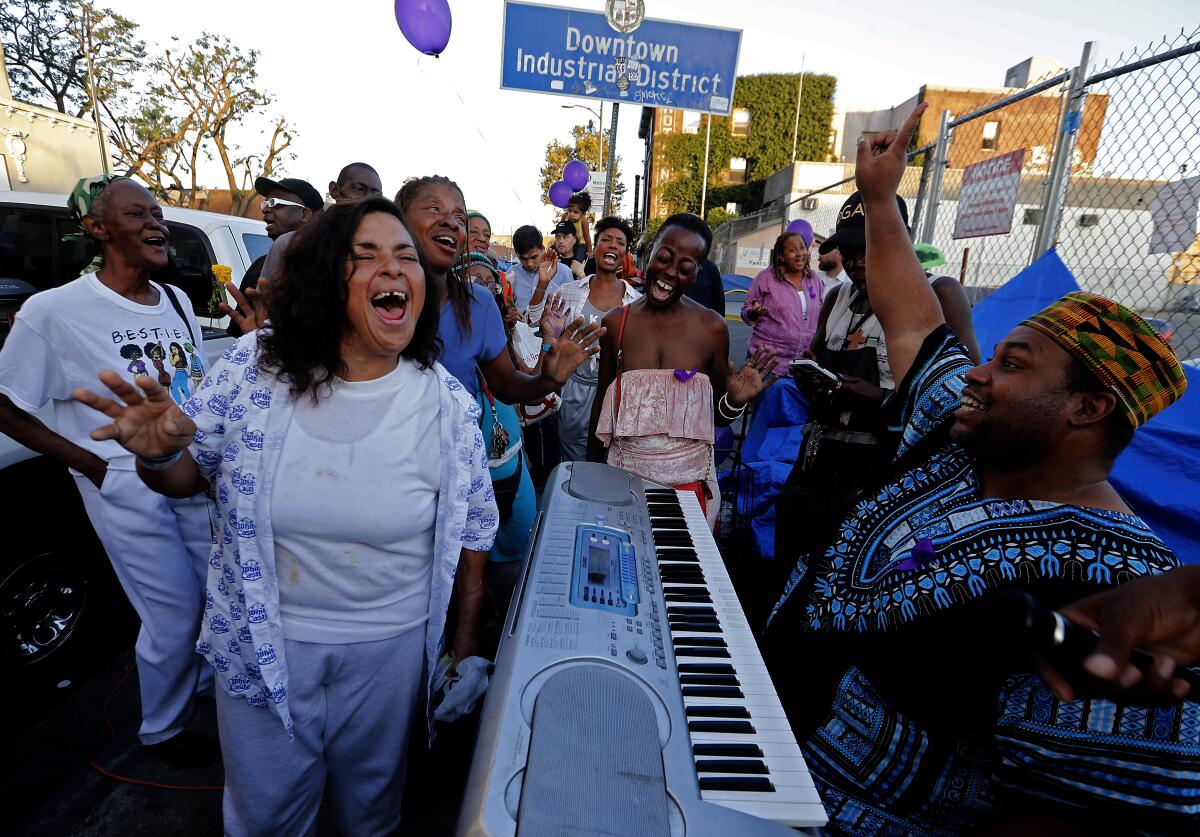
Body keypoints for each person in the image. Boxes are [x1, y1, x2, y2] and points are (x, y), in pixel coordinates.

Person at [763, 104, 1195, 836]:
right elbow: (912, 321)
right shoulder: (963, 435)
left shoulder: (1123, 585)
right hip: (754, 742)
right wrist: (877, 195)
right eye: (994, 354)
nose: (979, 371)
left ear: (1087, 408)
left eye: (1012, 363)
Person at [73, 197, 498, 835]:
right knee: (266, 815)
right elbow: (192, 478)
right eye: (367, 257)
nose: (394, 270)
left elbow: (472, 531)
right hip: (262, 640)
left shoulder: (447, 404)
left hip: (390, 649)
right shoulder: (252, 367)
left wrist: (463, 647)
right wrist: (159, 457)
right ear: (329, 278)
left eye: (405, 257)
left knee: (371, 810)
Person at [0, 176, 215, 762]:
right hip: (123, 481)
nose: (156, 224)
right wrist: (92, 467)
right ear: (97, 228)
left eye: (158, 213)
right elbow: (6, 403)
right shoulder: (54, 311)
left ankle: (197, 693)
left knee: (210, 598)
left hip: (191, 475)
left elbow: (188, 385)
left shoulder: (175, 301)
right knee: (172, 612)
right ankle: (163, 732)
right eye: (137, 214)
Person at [773, 191, 980, 570]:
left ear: (899, 239)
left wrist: (880, 400)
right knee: (791, 567)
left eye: (866, 249)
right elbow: (817, 355)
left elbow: (966, 398)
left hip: (882, 477)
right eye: (848, 252)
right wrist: (811, 374)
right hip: (816, 465)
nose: (856, 263)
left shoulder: (939, 295)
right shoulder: (838, 298)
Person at [587, 213, 776, 527]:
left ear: (697, 273)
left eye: (686, 268)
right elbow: (601, 409)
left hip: (688, 490)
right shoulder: (616, 323)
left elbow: (715, 417)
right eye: (664, 258)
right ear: (649, 254)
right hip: (623, 484)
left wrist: (736, 400)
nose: (670, 273)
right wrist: (591, 475)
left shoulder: (712, 328)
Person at [395, 176, 600, 406]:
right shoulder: (366, 299)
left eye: (459, 217)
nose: (451, 223)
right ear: (398, 221)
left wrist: (549, 380)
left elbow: (507, 383)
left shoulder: (480, 302)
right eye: (434, 208)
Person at [528, 217, 641, 462]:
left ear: (625, 254)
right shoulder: (570, 291)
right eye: (606, 240)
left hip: (615, 393)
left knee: (611, 455)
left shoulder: (636, 302)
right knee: (573, 456)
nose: (612, 246)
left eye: (620, 243)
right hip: (574, 391)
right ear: (594, 248)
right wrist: (543, 283)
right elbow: (533, 320)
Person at [227, 176, 324, 337]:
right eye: (265, 203)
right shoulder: (259, 265)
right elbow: (242, 334)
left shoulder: (329, 267)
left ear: (305, 214)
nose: (265, 209)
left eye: (276, 204)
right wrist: (255, 336)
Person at [742, 228, 825, 377]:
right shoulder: (765, 278)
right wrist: (753, 312)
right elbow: (746, 312)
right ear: (780, 256)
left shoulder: (814, 279)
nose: (800, 253)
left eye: (802, 248)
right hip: (766, 363)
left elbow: (820, 317)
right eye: (793, 250)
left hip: (801, 366)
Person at [505, 224, 573, 316]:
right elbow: (507, 306)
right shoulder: (512, 273)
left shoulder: (564, 272)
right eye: (523, 259)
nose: (529, 264)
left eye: (534, 257)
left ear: (543, 249)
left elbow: (571, 308)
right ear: (516, 253)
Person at [564, 190, 593, 256]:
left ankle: (577, 264)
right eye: (570, 211)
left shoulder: (583, 220)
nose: (571, 214)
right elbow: (560, 230)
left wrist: (590, 250)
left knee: (579, 254)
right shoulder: (565, 216)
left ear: (583, 213)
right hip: (568, 243)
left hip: (579, 244)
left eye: (575, 212)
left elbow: (587, 237)